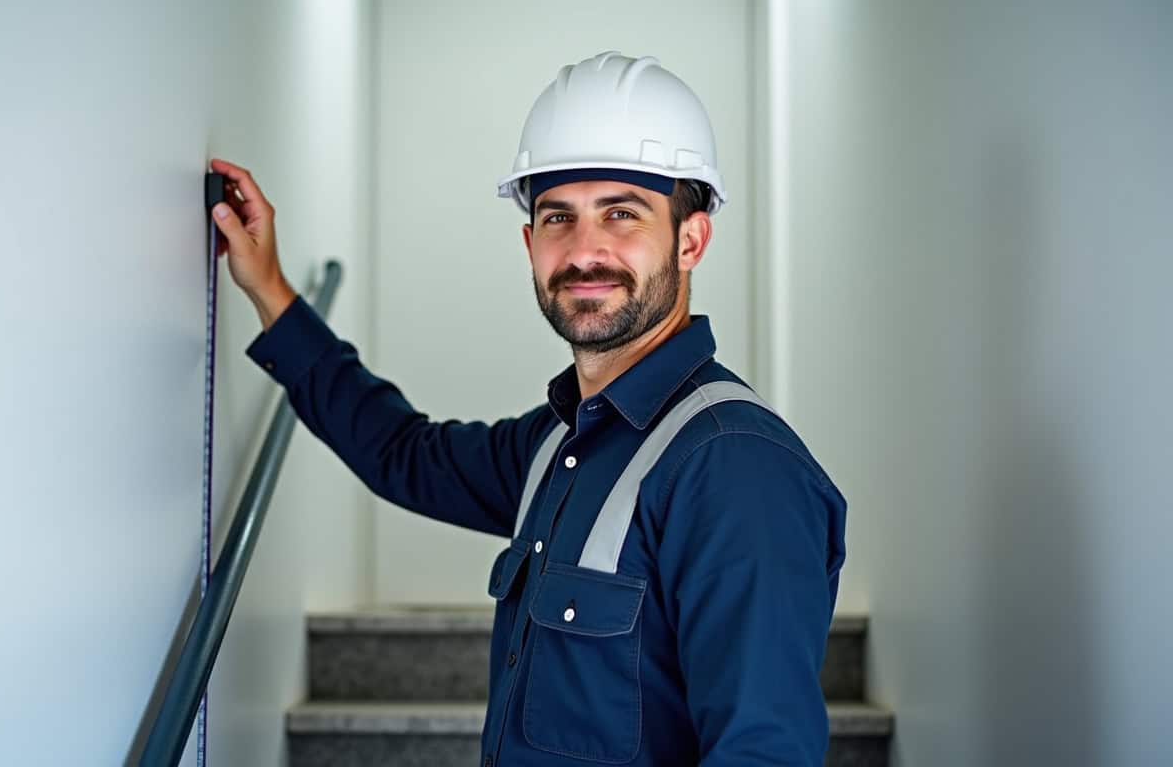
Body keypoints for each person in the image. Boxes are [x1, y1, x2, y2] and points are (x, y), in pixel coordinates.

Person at [209, 51, 846, 767]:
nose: (584, 251)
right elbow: (402, 453)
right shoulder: (559, 443)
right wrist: (269, 291)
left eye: (622, 214)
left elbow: (765, 753)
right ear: (529, 242)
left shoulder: (732, 466)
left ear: (691, 238)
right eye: (557, 218)